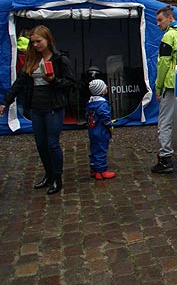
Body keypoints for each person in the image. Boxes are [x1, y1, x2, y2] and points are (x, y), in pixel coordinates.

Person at [0, 25, 75, 195]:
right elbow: (19, 83)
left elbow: (70, 83)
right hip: (36, 107)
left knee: (52, 143)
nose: (35, 45)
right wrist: (6, 101)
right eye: (33, 42)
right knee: (40, 144)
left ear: (48, 40)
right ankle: (48, 174)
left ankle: (57, 177)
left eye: (38, 41)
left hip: (54, 106)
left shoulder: (59, 59)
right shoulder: (31, 60)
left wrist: (53, 80)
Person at [151, 6, 177, 173]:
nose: (157, 23)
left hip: (171, 84)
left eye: (160, 20)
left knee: (165, 122)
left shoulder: (168, 36)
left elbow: (163, 64)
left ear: (170, 18)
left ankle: (166, 158)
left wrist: (158, 87)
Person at [86, 79, 115, 180]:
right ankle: (101, 171)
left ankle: (93, 169)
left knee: (93, 150)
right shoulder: (102, 104)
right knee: (101, 150)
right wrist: (110, 126)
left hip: (92, 130)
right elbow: (105, 117)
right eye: (104, 86)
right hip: (101, 131)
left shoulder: (90, 103)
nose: (107, 87)